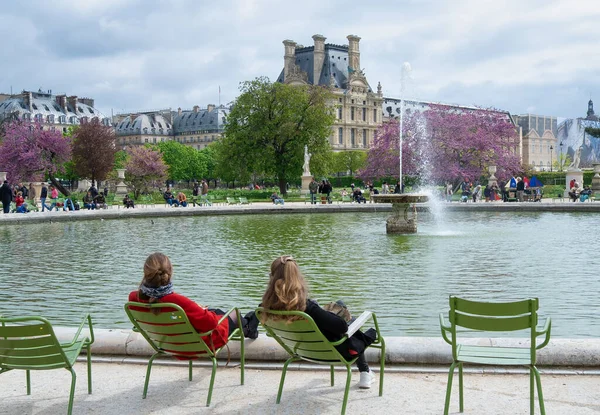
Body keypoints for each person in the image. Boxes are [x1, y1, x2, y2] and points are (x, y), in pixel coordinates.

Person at [261, 256, 377, 389]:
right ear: (297, 278)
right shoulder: (307, 308)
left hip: (303, 351)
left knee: (338, 306)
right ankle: (365, 372)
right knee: (352, 320)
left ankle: (366, 373)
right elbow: (342, 328)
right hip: (334, 351)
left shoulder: (265, 308)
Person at [128, 253, 257, 352]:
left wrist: (196, 308)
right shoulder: (176, 301)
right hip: (199, 345)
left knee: (216, 311)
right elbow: (210, 324)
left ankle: (248, 326)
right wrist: (198, 309)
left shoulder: (134, 299)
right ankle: (248, 328)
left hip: (167, 345)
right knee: (235, 313)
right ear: (169, 272)